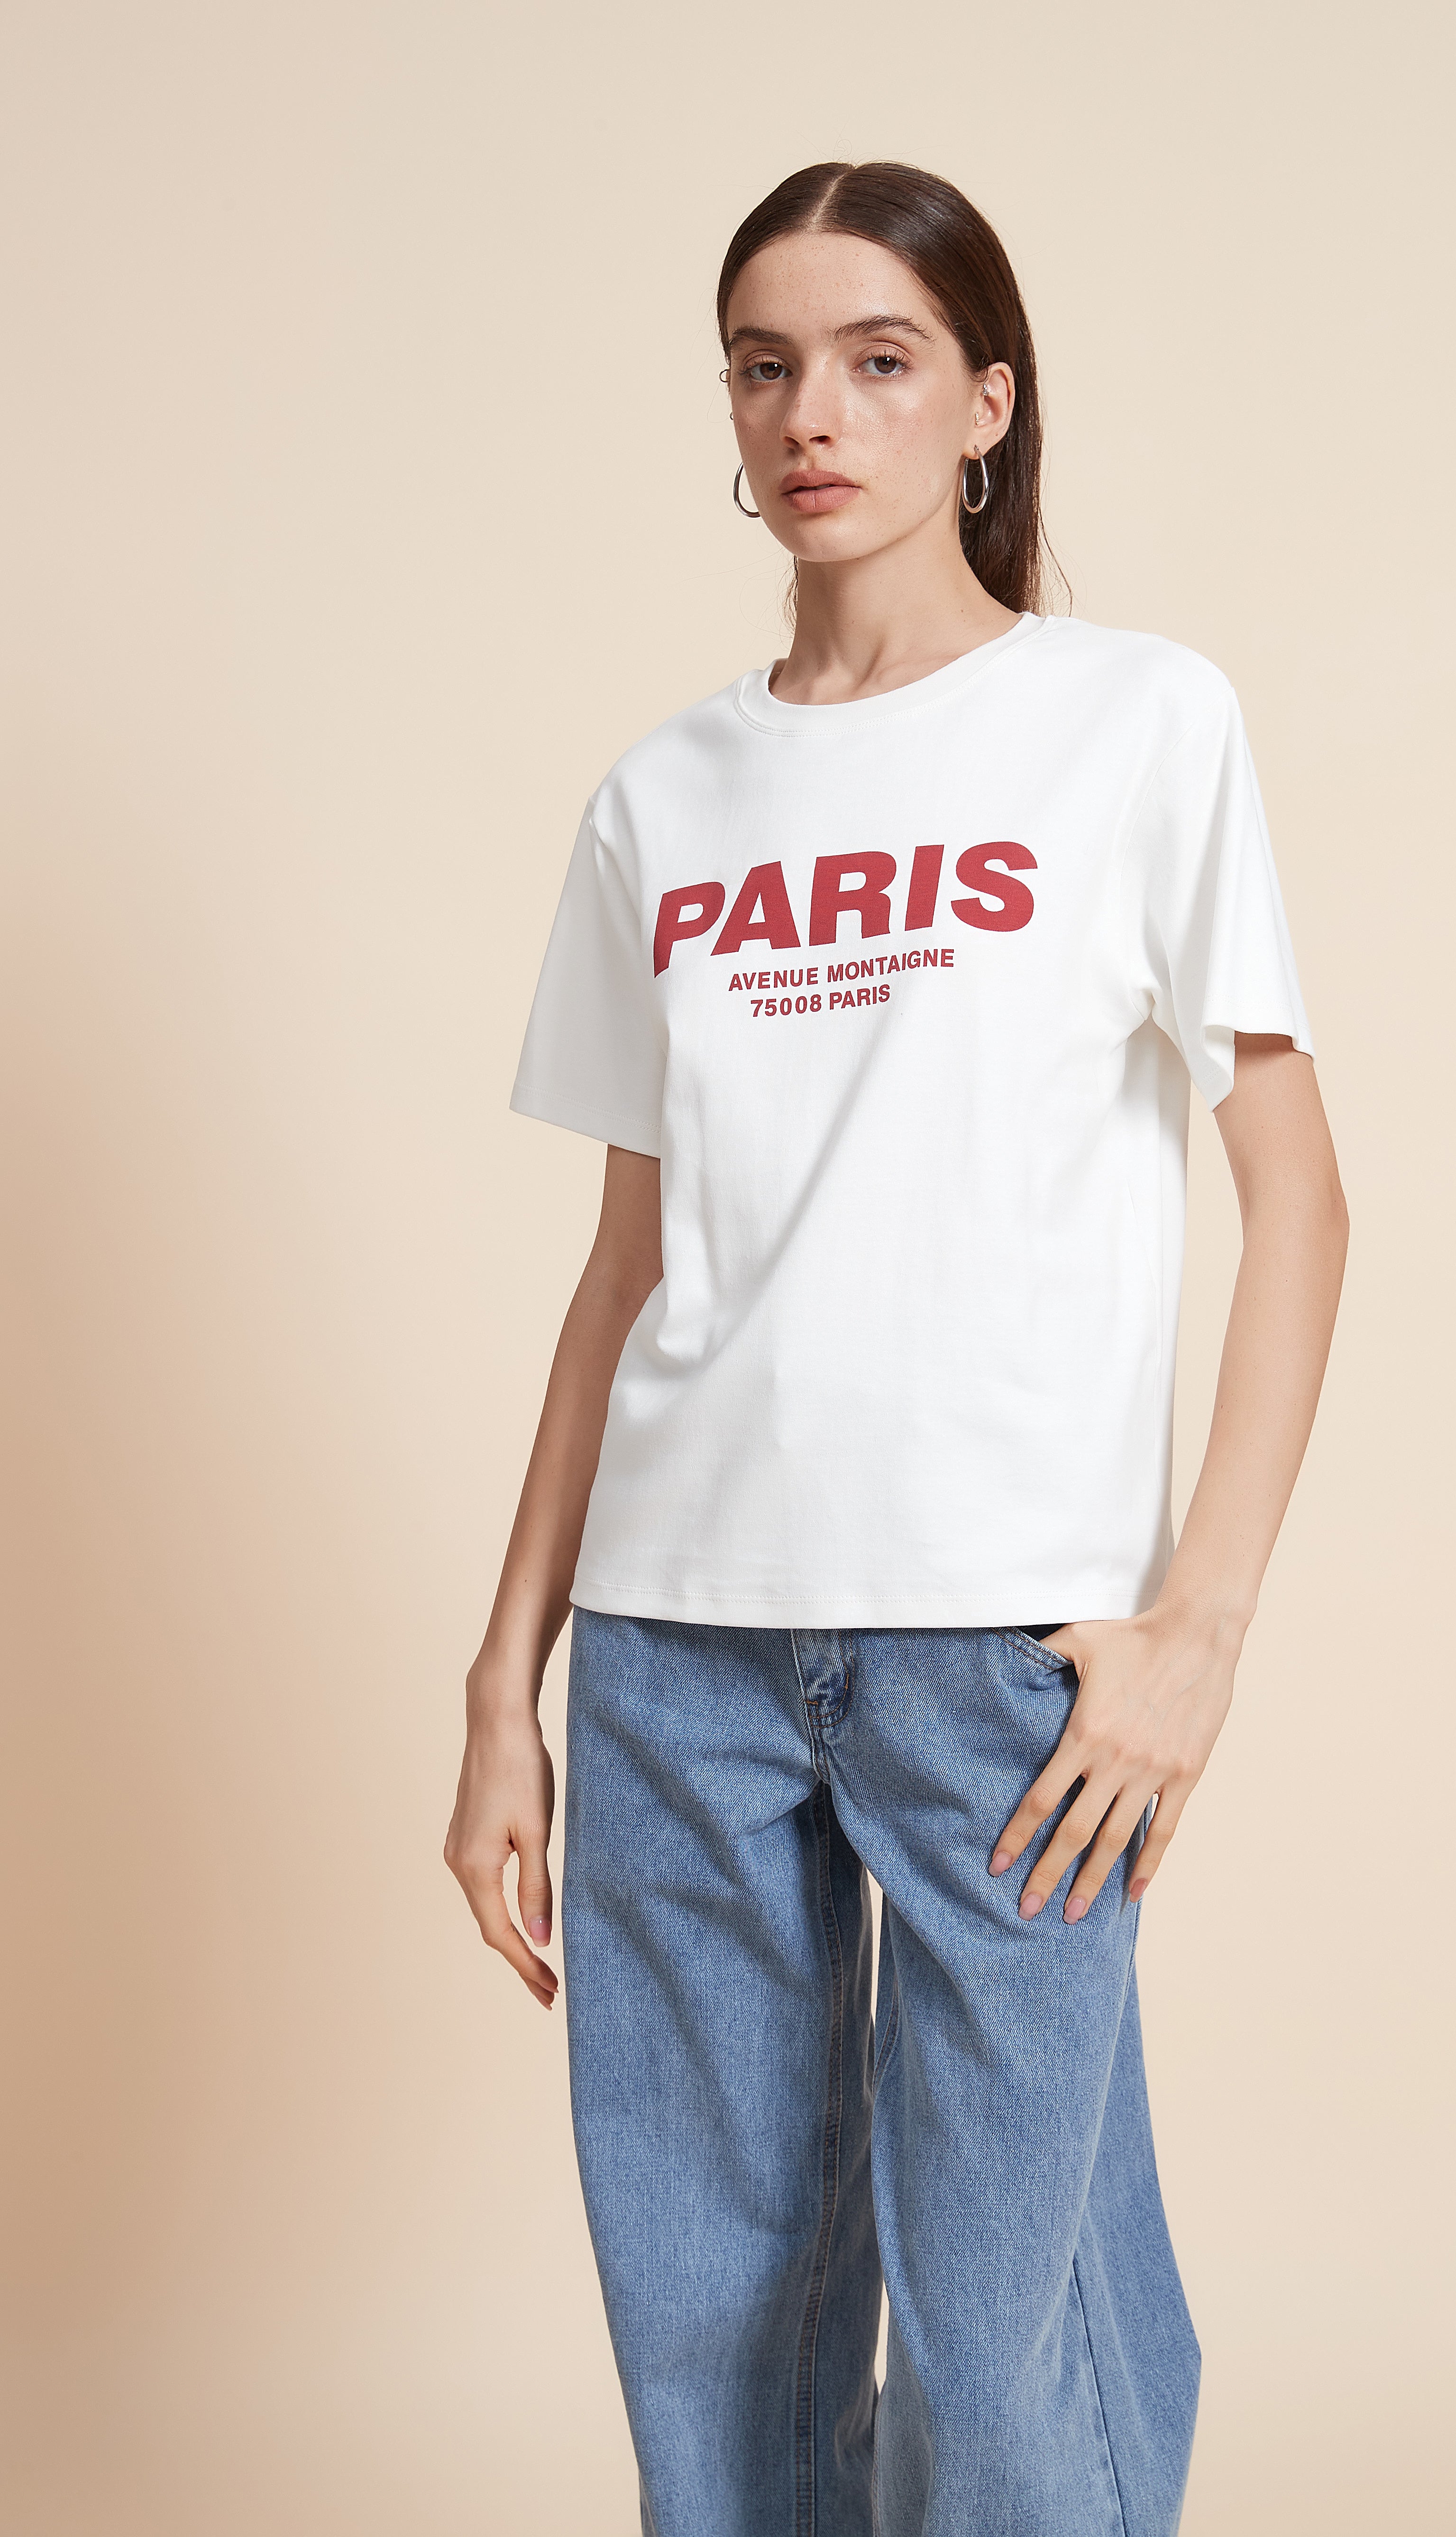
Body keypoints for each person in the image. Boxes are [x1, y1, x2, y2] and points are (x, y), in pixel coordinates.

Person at [445, 160, 1348, 2537]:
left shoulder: (1133, 721)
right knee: (710, 2336)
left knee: (1006, 2338)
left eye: (875, 360)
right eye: (765, 366)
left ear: (985, 404)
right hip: (676, 1652)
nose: (811, 415)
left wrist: (1196, 1630)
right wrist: (505, 1683)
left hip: (1000, 1656)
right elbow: (622, 1275)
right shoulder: (662, 798)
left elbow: (1298, 1198)